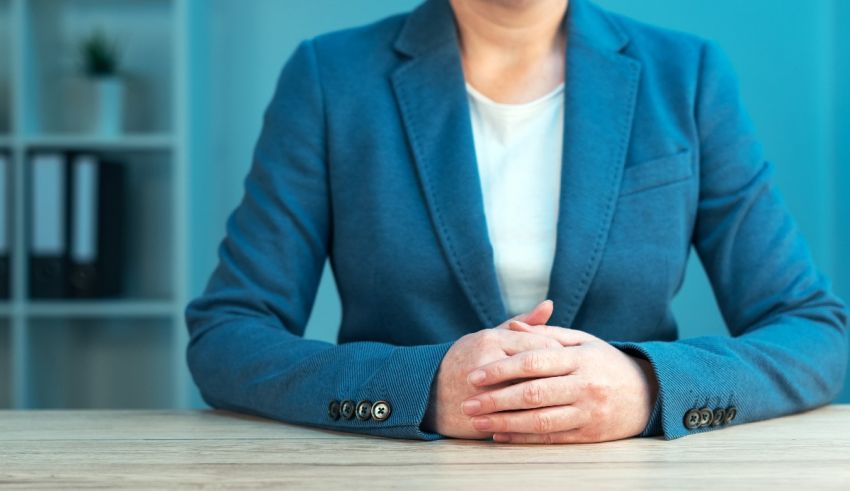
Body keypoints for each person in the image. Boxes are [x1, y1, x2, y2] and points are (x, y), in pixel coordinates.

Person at [184, 0, 849, 443]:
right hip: (397, 474)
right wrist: (417, 389)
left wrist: (649, 386)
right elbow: (227, 338)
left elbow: (815, 331)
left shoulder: (687, 75)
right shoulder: (331, 78)